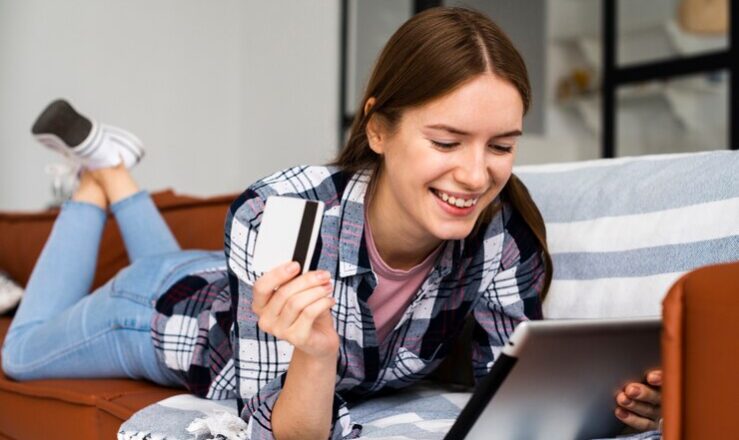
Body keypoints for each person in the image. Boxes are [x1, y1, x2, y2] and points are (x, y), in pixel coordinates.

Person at [1, 6, 662, 439]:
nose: (474, 174)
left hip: (218, 284)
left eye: (500, 145)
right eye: (445, 141)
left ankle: (118, 174)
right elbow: (285, 431)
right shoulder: (278, 212)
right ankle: (95, 180)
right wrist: (315, 356)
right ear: (376, 127)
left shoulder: (498, 233)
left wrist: (611, 405)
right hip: (154, 317)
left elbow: (505, 388)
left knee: (184, 272)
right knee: (20, 355)